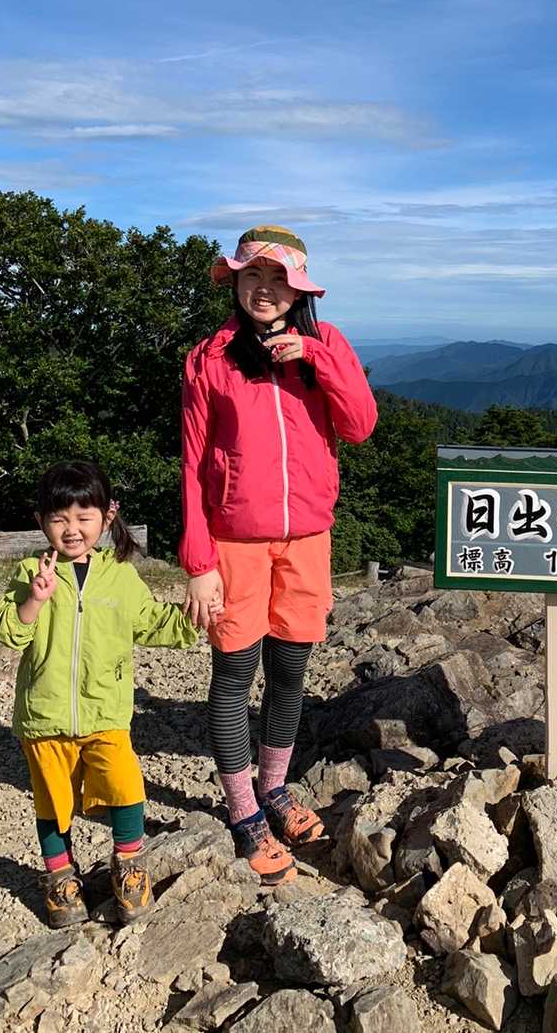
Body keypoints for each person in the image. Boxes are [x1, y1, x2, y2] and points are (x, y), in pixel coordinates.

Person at [179, 226, 377, 886]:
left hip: (307, 538)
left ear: (300, 291)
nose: (262, 290)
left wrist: (315, 357)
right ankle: (243, 812)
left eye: (277, 279)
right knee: (235, 674)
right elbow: (193, 463)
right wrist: (198, 561)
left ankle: (274, 788)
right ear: (235, 283)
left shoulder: (328, 345)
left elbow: (360, 425)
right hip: (234, 541)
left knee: (290, 671)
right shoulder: (210, 358)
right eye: (251, 276)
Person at [0, 460, 202, 928]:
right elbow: (9, 633)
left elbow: (151, 622)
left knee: (126, 787)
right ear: (41, 521)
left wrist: (195, 616)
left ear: (108, 517)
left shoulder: (120, 576)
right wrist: (35, 599)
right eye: (59, 519)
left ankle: (128, 865)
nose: (71, 530)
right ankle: (61, 878)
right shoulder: (31, 570)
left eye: (83, 517)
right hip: (44, 717)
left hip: (107, 711)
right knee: (53, 803)